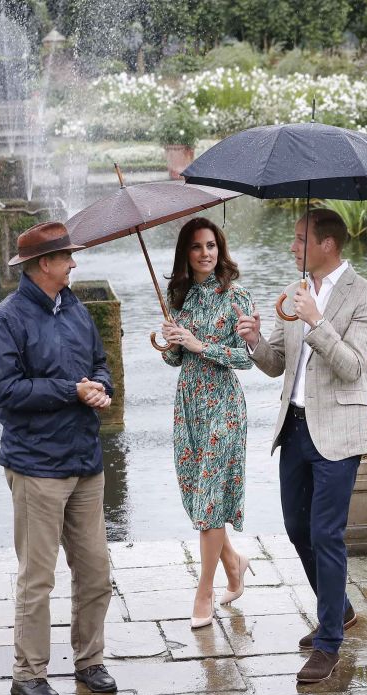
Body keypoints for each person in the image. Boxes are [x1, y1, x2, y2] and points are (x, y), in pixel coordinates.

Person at [234, 208, 367, 684]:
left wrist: (317, 320)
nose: (293, 247)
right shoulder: (295, 292)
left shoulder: (366, 297)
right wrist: (255, 339)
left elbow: (353, 367)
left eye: (301, 239)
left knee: (326, 533)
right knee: (297, 526)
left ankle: (328, 644)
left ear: (328, 245)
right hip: (294, 429)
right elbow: (276, 364)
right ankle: (338, 609)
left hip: (340, 431)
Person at [0, 220, 118, 695]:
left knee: (97, 571)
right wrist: (70, 390)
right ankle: (28, 673)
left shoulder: (77, 310)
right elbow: (5, 396)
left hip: (85, 462)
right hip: (36, 468)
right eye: (67, 258)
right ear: (45, 265)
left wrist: (102, 387)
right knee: (37, 578)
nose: (74, 264)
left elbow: (100, 364)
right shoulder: (6, 320)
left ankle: (90, 661)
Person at [160, 217, 256, 628]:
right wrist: (169, 343)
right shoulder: (178, 298)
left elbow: (246, 358)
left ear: (221, 249)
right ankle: (234, 563)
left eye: (211, 245)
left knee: (211, 501)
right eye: (197, 247)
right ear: (186, 253)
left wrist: (200, 344)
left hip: (225, 406)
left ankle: (205, 591)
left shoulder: (236, 298)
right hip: (189, 406)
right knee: (201, 500)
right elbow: (176, 360)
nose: (205, 253)